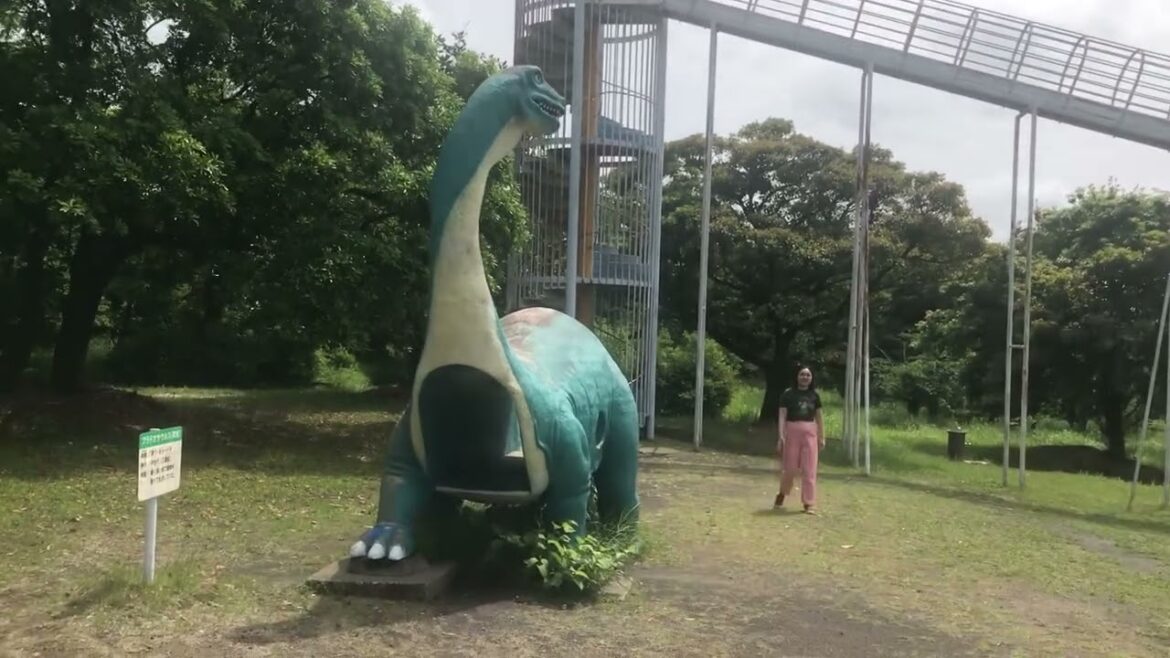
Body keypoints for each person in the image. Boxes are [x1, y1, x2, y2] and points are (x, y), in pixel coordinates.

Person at [773, 365, 825, 514]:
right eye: (802, 374)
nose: (805, 377)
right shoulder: (788, 394)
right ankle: (782, 493)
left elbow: (819, 417)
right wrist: (781, 435)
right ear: (797, 376)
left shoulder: (815, 395)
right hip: (792, 431)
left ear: (811, 378)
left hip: (810, 432)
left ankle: (809, 503)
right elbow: (782, 415)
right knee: (790, 469)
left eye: (808, 375)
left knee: (809, 469)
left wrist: (822, 436)